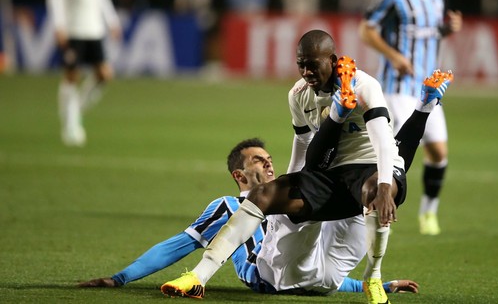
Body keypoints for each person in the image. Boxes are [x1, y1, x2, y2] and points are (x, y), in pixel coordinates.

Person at [161, 29, 452, 304]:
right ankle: (198, 276)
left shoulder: (365, 84)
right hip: (330, 173)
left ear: (333, 61)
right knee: (261, 195)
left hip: (370, 166)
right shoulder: (297, 94)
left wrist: (387, 186)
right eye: (301, 65)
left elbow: (383, 141)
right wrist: (286, 186)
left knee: (374, 188)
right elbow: (302, 145)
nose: (307, 72)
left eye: (313, 65)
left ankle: (373, 278)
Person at [78, 139, 419, 296]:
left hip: (303, 280)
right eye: (258, 161)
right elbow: (178, 245)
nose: (269, 164)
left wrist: (375, 285)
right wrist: (120, 278)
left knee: (342, 202)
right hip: (266, 278)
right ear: (239, 177)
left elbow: (320, 273)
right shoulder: (227, 205)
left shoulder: (290, 200)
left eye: (269, 158)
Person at [359, 0, 462, 236]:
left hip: (428, 90)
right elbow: (365, 30)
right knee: (391, 155)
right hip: (398, 89)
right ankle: (372, 207)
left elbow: (428, 36)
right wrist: (394, 56)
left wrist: (446, 30)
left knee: (439, 153)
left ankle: (428, 213)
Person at [46, 0, 122, 146]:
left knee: (104, 75)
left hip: (94, 29)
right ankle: (70, 125)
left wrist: (112, 20)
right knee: (72, 75)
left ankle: (75, 110)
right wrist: (58, 25)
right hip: (73, 29)